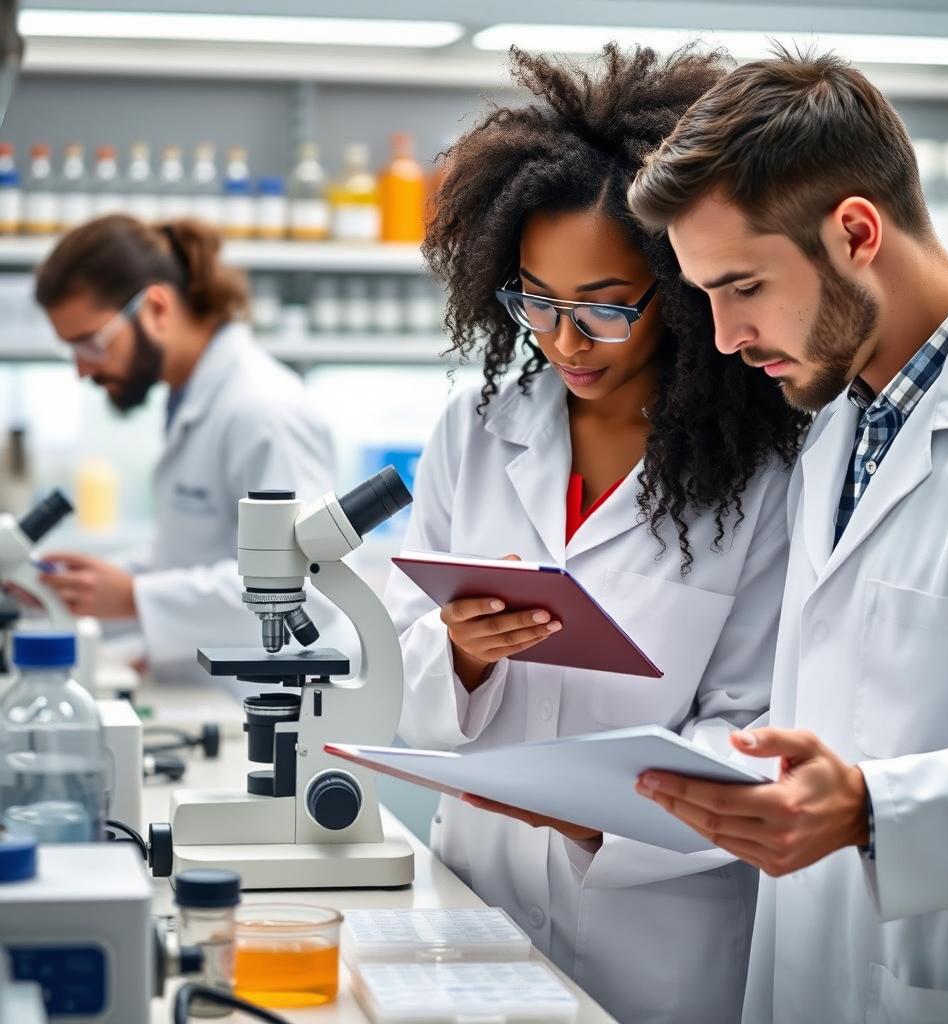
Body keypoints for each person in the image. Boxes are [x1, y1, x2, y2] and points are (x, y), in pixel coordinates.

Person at [385, 45, 807, 1024]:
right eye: (534, 299)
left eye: (605, 309)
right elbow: (407, 687)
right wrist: (459, 655)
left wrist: (585, 807)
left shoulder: (767, 472)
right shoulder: (474, 432)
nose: (563, 340)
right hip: (473, 905)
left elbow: (753, 731)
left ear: (684, 289)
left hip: (659, 942)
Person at [628, 48, 948, 1024]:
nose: (721, 337)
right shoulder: (840, 418)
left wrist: (871, 809)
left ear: (854, 230)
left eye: (742, 287)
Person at [32, 214, 348, 681]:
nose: (82, 370)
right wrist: (86, 587)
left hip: (286, 707)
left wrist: (134, 595)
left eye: (91, 344)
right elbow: (195, 555)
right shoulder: (193, 398)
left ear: (156, 308)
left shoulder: (263, 410)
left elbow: (306, 586)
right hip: (221, 691)